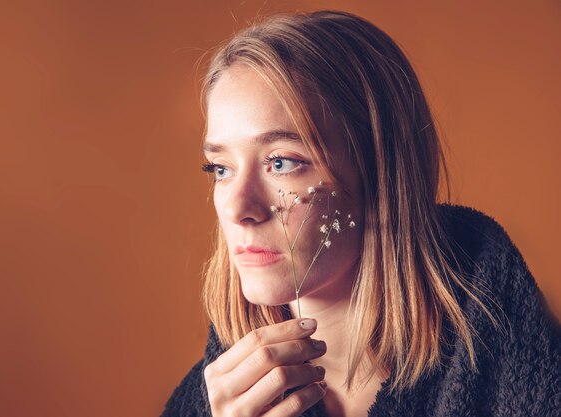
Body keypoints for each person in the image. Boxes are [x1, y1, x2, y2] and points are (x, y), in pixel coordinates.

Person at [162, 10, 561, 417]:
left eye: (282, 162)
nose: (237, 207)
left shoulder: (531, 373)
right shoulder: (205, 403)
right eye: (221, 169)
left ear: (380, 174)